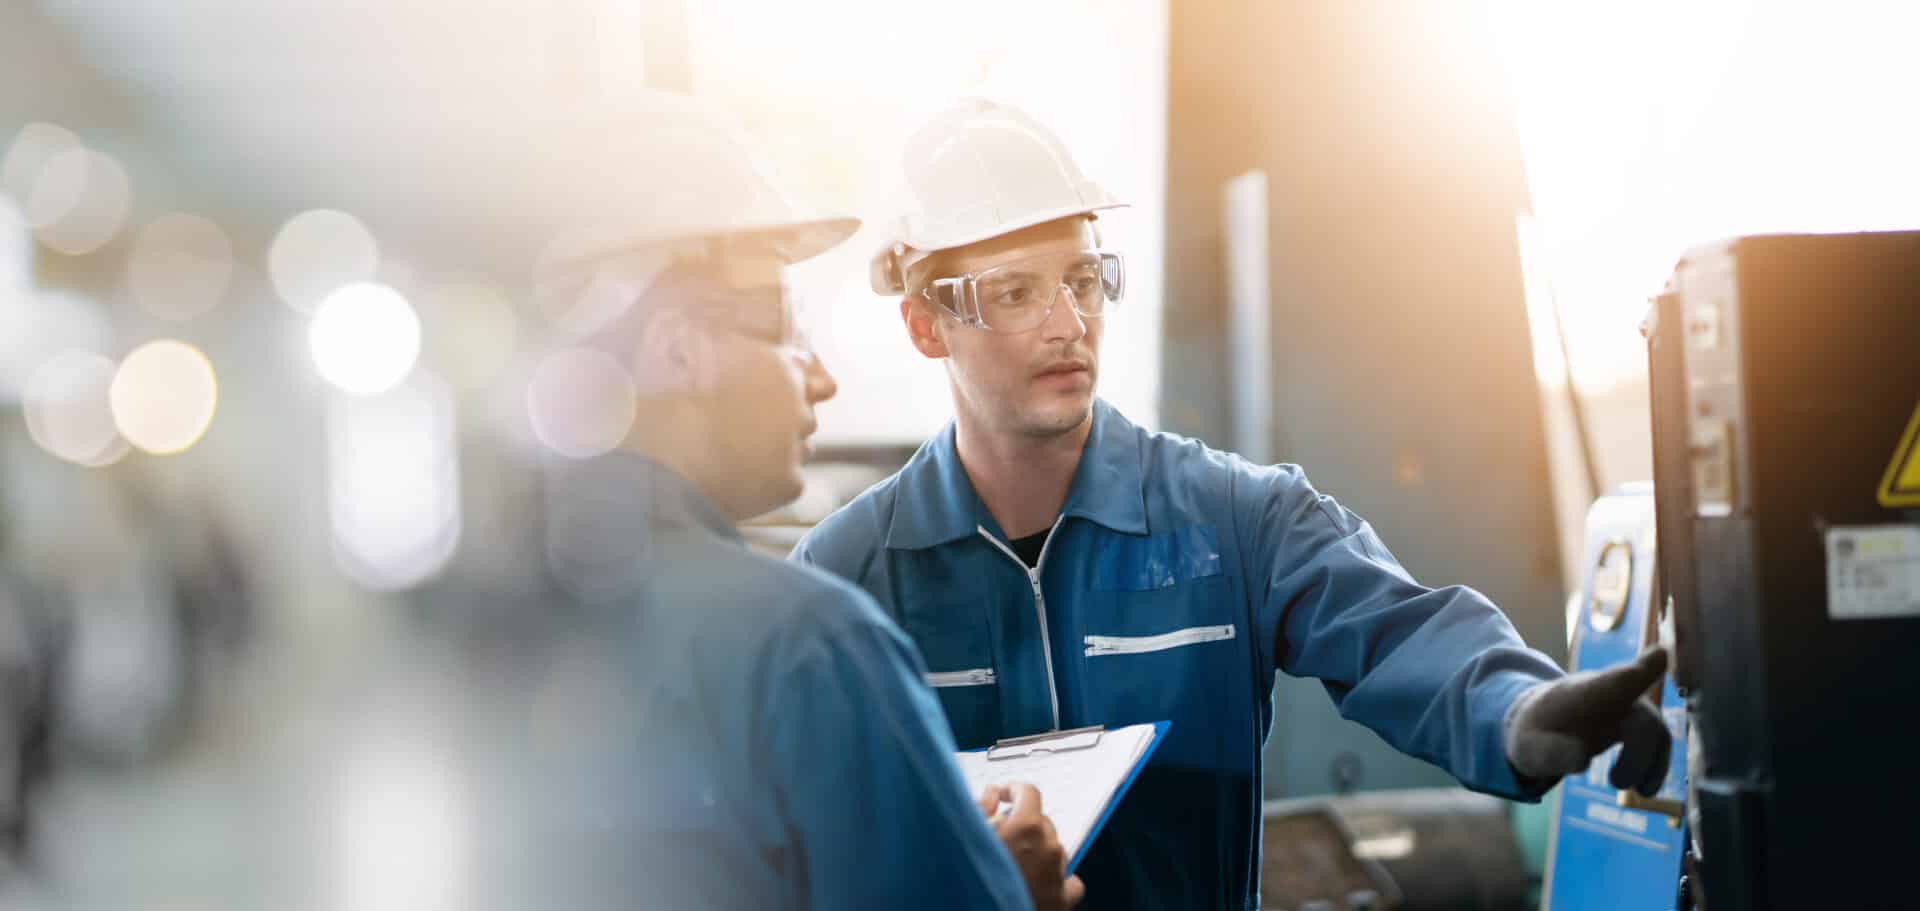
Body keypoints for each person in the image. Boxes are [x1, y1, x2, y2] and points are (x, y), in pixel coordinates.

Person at [792, 98, 1671, 909]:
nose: (1068, 322)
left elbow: (1399, 630)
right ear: (924, 325)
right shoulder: (847, 579)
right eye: (1016, 292)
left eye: (1085, 278)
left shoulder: (1235, 521)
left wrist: (1516, 710)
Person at [530, 97, 1082, 910]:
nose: (820, 376)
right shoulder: (810, 645)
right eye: (787, 328)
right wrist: (1007, 895)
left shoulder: (480, 622)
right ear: (678, 348)